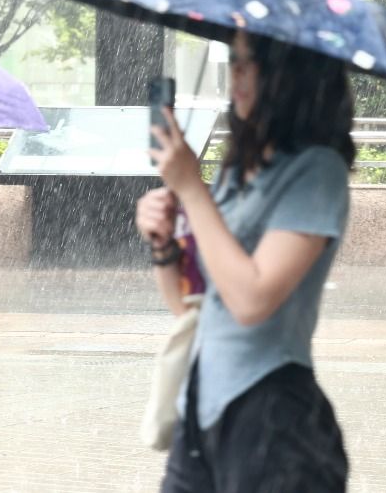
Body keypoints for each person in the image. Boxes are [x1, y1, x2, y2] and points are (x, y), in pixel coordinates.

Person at [136, 30, 353, 491]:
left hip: (274, 418)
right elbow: (190, 303)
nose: (235, 72)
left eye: (250, 62)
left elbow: (252, 300)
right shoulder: (235, 170)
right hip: (200, 410)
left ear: (290, 74)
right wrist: (163, 245)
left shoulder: (317, 171)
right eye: (232, 59)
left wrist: (193, 191)